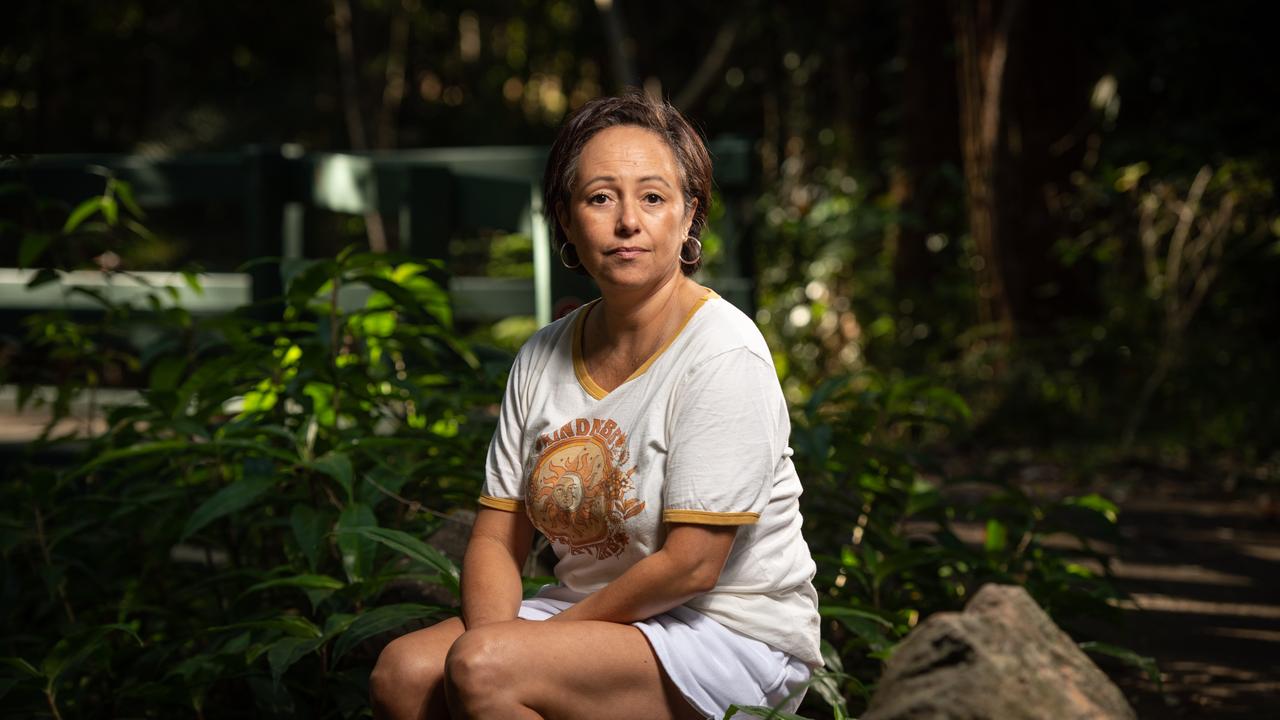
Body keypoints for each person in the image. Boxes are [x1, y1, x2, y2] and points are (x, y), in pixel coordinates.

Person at [370, 90, 821, 720]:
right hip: (592, 610)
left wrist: (512, 651)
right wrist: (495, 639)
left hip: (726, 628)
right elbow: (498, 541)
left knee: (486, 670)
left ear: (689, 217)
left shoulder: (723, 351)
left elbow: (690, 568)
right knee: (405, 673)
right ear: (566, 218)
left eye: (654, 197)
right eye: (601, 196)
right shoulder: (541, 355)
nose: (628, 221)